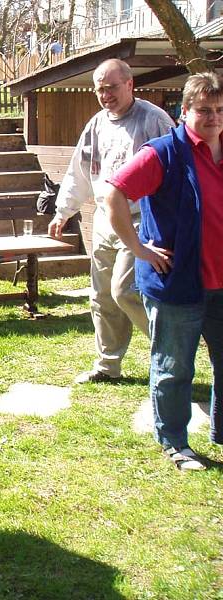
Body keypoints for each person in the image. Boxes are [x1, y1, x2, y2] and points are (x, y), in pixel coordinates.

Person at [105, 72, 223, 471]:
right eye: (204, 110)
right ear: (184, 110)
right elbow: (115, 192)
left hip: (222, 283)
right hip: (179, 281)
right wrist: (137, 247)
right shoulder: (164, 153)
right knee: (174, 366)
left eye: (220, 110)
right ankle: (175, 442)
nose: (213, 118)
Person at [48, 58, 174, 384]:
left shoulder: (154, 120)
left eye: (112, 88)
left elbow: (176, 168)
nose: (106, 95)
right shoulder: (96, 125)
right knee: (101, 295)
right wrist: (64, 211)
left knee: (125, 290)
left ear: (130, 84)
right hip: (104, 217)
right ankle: (108, 365)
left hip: (140, 219)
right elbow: (79, 170)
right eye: (100, 90)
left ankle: (171, 349)